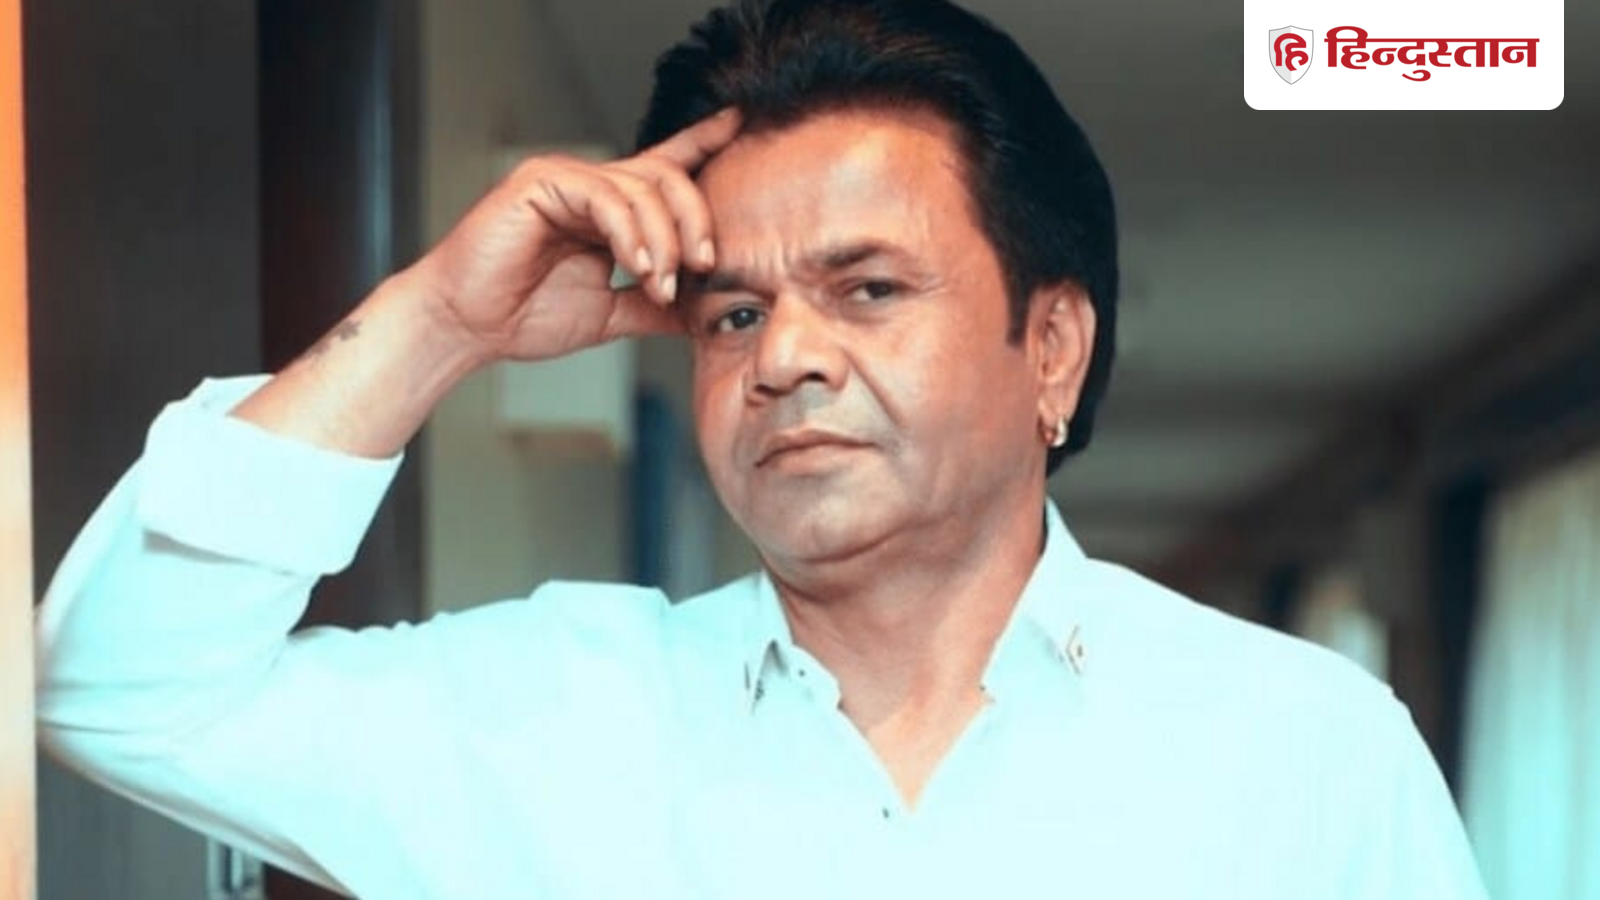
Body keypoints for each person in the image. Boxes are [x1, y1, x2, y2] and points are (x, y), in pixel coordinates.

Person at [35, 0, 1488, 897]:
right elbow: (114, 691)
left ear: (1051, 347)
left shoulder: (1303, 750)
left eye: (868, 289)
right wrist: (438, 322)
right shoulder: (553, 719)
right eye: (733, 313)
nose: (783, 356)